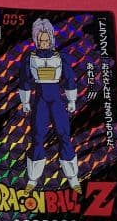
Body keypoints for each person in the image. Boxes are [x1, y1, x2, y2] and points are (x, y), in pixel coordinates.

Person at [19, 18, 80, 191]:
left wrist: (71, 100)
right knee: (38, 137)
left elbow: (69, 78)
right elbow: (24, 80)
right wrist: (25, 101)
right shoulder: (29, 58)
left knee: (64, 135)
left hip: (56, 101)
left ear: (51, 39)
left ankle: (73, 177)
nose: (44, 43)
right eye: (41, 40)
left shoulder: (60, 58)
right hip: (40, 101)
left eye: (46, 40)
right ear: (36, 40)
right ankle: (33, 178)